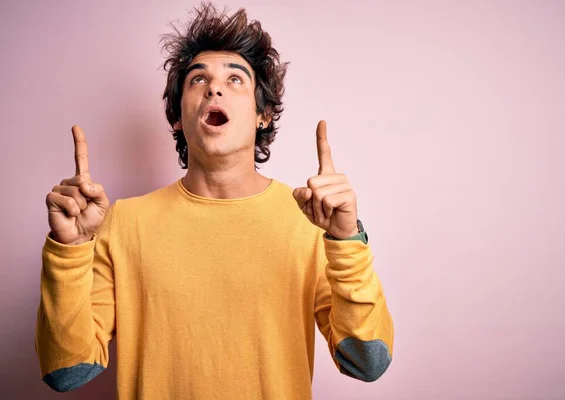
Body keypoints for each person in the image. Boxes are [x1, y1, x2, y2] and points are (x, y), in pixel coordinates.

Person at [35, 3, 394, 399]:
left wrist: (345, 241)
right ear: (177, 117)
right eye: (197, 79)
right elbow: (66, 372)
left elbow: (368, 362)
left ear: (263, 115)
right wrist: (69, 250)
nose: (214, 87)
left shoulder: (311, 222)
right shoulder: (125, 222)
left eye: (236, 79)